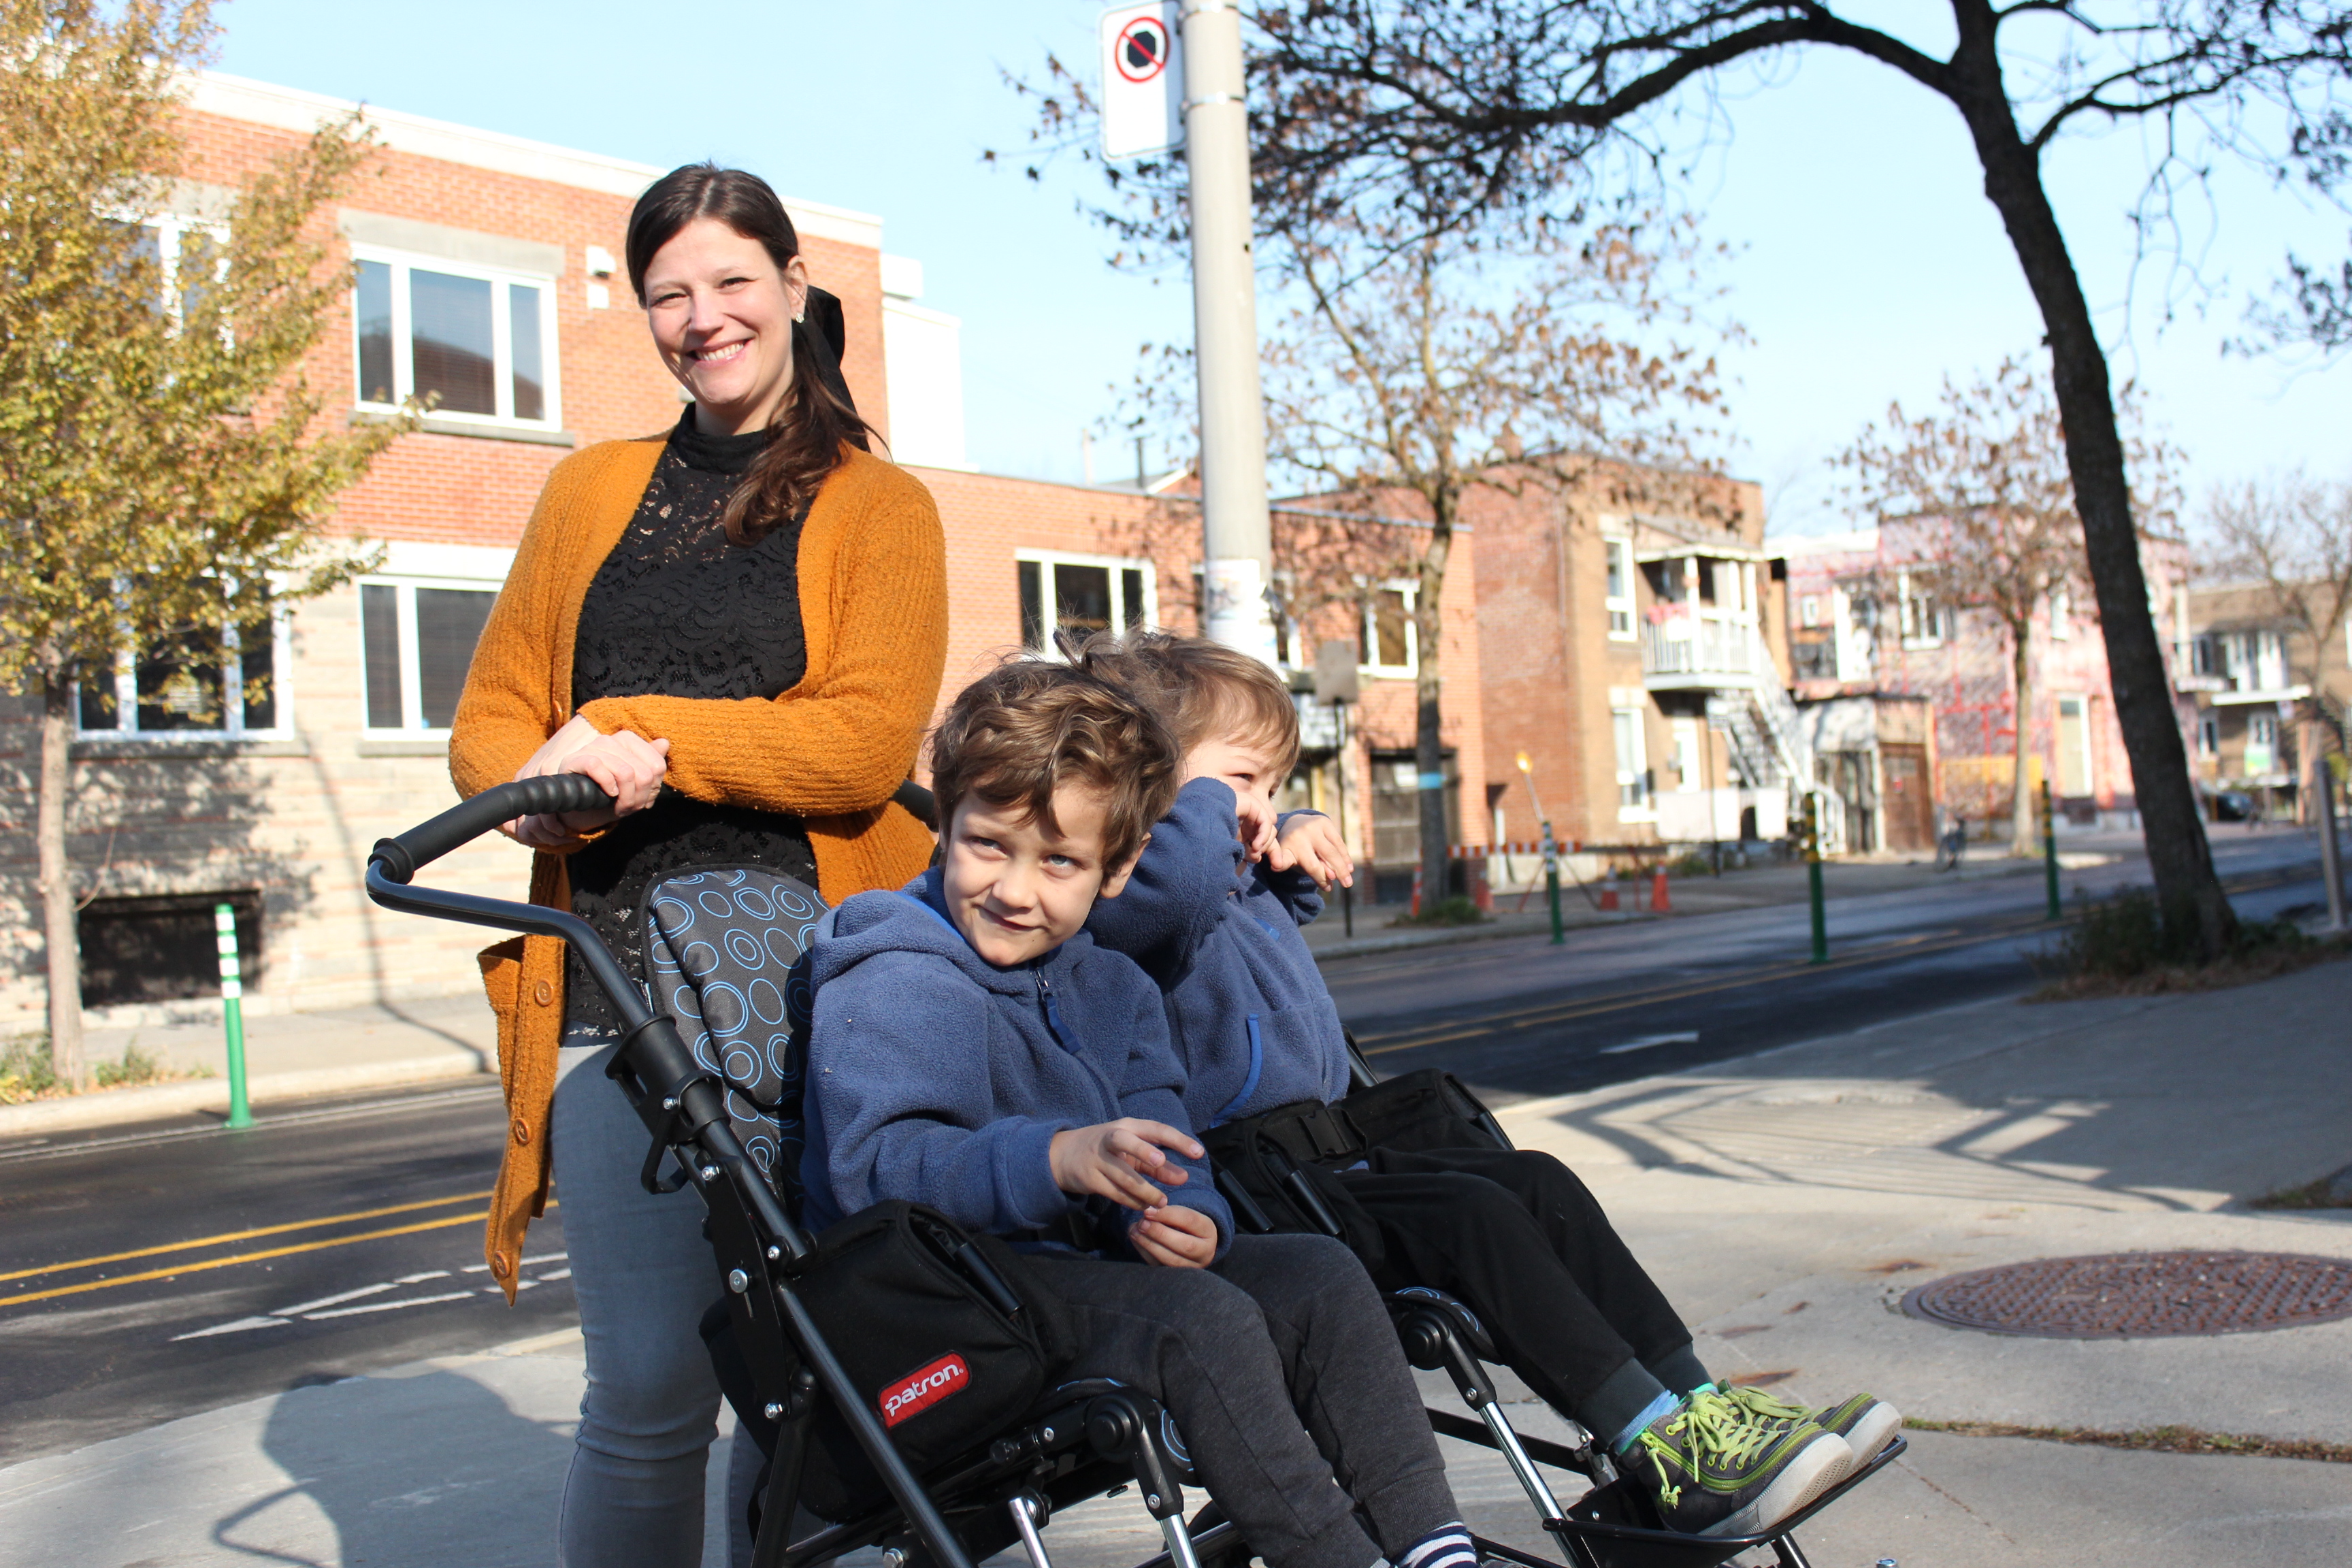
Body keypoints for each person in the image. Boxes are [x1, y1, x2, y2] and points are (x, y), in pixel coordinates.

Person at [1076, 632, 1893, 1539]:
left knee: (1538, 1180)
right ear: (1155, 784)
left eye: (1275, 783)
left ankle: (1700, 1406)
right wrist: (1193, 801)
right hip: (1258, 1199)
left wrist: (1290, 820)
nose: (1261, 807)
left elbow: (1265, 883)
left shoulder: (1232, 874)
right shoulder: (1131, 898)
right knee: (1472, 1214)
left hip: (1329, 1162)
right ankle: (1652, 1440)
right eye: (1245, 782)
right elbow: (1176, 893)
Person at [447, 163, 947, 1567]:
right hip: (612, 991)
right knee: (651, 1385)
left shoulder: (879, 504)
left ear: (794, 289)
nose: (702, 316)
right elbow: (493, 716)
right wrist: (535, 796)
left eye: (732, 282)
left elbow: (857, 745)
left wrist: (630, 729)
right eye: (669, 294)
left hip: (818, 995)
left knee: (811, 1373)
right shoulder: (591, 490)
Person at [800, 661, 1481, 1568]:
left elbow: (1166, 1133)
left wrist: (1189, 1211)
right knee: (1199, 1324)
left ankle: (1434, 1546)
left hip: (1078, 1271)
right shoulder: (902, 970)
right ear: (948, 825)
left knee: (1318, 1275)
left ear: (1117, 871)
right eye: (988, 846)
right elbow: (878, 1172)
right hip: (953, 1295)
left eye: (1061, 863)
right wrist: (1054, 1160)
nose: (1014, 889)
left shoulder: (1114, 983)